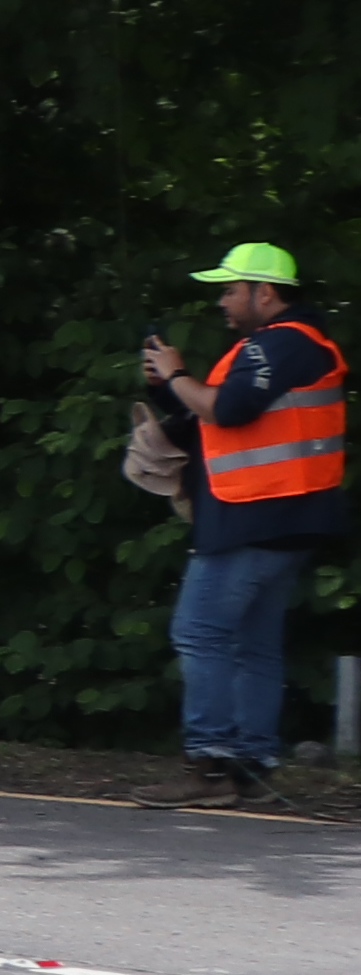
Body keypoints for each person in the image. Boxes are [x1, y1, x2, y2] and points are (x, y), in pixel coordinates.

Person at [137, 241, 344, 806]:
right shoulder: (288, 347)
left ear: (265, 293)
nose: (223, 301)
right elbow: (213, 416)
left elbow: (227, 410)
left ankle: (208, 766)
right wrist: (164, 386)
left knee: (198, 632)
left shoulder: (281, 342)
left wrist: (177, 373)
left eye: (230, 290)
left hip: (254, 516)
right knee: (254, 644)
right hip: (284, 518)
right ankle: (250, 770)